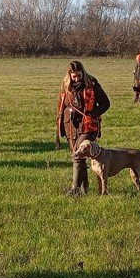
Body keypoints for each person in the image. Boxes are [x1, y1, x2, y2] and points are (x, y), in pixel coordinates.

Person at [56, 60, 110, 195]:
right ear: (69, 75)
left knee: (77, 156)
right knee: (78, 156)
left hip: (88, 125)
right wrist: (59, 125)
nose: (76, 79)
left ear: (83, 73)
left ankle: (75, 190)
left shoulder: (92, 83)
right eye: (74, 76)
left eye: (79, 76)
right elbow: (61, 105)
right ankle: (84, 189)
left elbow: (106, 103)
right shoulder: (65, 85)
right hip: (70, 125)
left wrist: (92, 114)